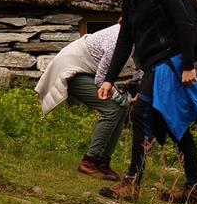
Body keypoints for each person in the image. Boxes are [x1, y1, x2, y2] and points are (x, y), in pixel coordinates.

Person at [97, 0, 197, 204]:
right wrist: (108, 79)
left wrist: (187, 65)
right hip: (154, 66)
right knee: (174, 123)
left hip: (170, 62)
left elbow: (183, 22)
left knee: (140, 113)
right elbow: (125, 40)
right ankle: (196, 190)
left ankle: (131, 183)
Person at [35, 22, 128, 179]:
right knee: (113, 107)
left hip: (88, 71)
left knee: (121, 108)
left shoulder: (135, 37)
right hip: (73, 71)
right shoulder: (117, 40)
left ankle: (103, 163)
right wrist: (120, 97)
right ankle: (90, 162)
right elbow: (101, 79)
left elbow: (141, 66)